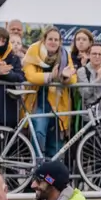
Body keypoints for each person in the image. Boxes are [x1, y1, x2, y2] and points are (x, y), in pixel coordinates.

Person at [23, 27, 78, 158]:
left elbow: (73, 78)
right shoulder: (33, 51)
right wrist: (51, 77)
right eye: (50, 39)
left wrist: (65, 77)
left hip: (58, 104)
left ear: (60, 42)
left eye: (56, 39)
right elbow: (30, 76)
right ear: (44, 40)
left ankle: (51, 177)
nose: (53, 42)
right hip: (38, 102)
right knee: (39, 135)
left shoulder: (65, 54)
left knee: (56, 143)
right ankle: (38, 171)